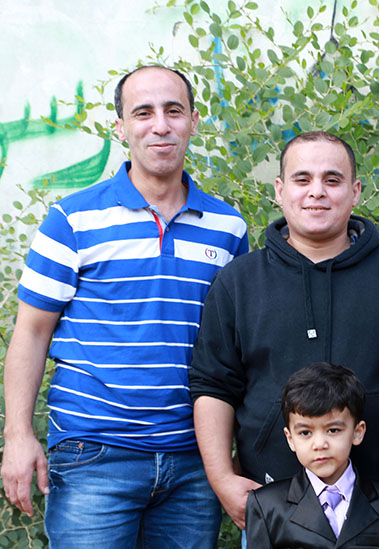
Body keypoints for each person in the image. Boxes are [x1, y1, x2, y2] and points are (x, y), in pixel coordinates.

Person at [0, 66, 248, 547]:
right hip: (94, 455)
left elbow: (237, 348)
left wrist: (231, 452)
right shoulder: (72, 219)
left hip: (194, 461)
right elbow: (31, 332)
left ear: (194, 121)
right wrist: (18, 436)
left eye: (173, 111)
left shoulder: (227, 228)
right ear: (120, 127)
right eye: (143, 113)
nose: (161, 125)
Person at [189, 131, 379, 547]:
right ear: (280, 191)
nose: (316, 191)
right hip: (277, 515)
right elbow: (214, 386)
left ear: (355, 191)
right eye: (302, 179)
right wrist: (221, 478)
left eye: (332, 180)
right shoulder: (239, 282)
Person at [245, 362, 379, 548]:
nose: (319, 444)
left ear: (357, 432)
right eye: (305, 432)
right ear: (290, 439)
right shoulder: (266, 506)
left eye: (333, 430)